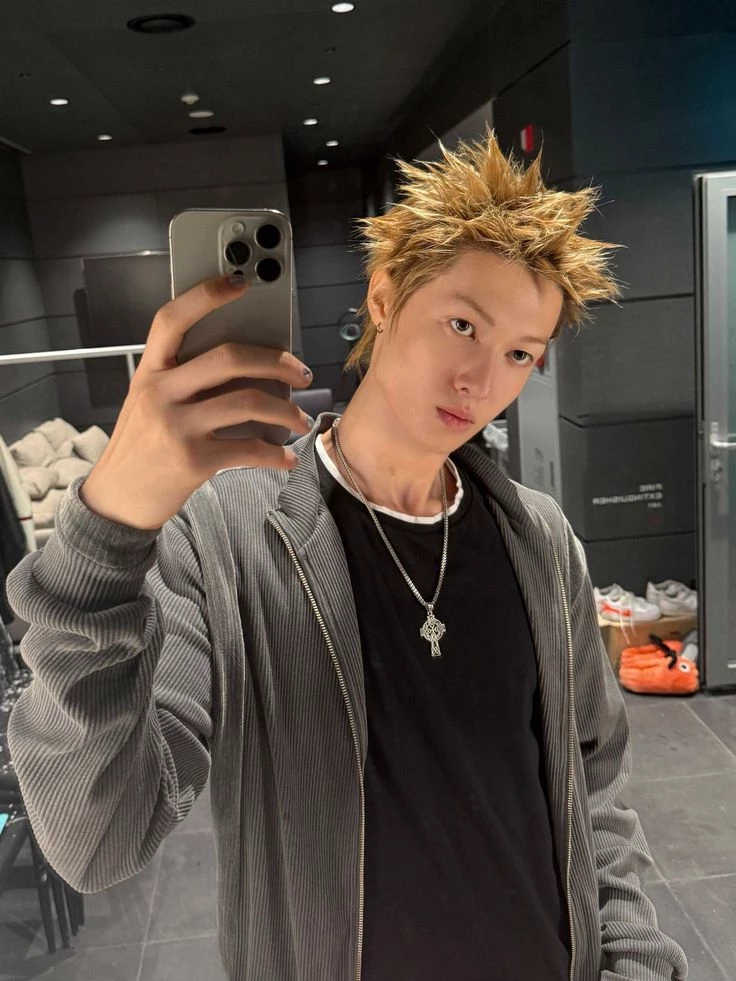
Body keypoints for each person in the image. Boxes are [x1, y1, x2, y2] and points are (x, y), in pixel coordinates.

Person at [6, 129, 687, 981]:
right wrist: (109, 530)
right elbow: (93, 838)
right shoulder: (223, 533)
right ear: (383, 296)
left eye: (519, 353)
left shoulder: (540, 539)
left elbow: (595, 784)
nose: (481, 379)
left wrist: (635, 958)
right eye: (462, 324)